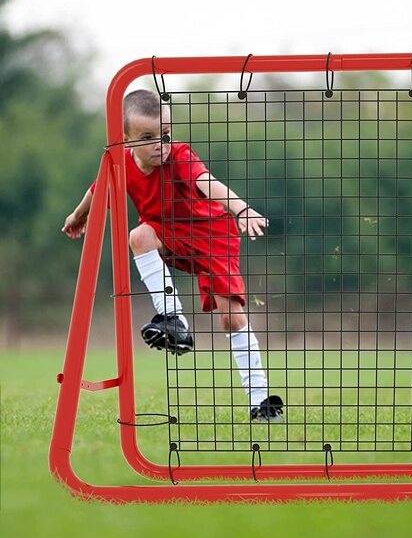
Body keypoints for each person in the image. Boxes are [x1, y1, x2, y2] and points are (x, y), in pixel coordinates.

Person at [62, 88, 283, 422]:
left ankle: (260, 401)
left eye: (164, 134)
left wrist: (241, 209)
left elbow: (208, 182)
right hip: (169, 235)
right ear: (126, 140)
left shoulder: (179, 155)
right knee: (139, 235)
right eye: (148, 137)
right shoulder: (119, 163)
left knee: (231, 319)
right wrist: (78, 216)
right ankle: (173, 319)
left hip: (212, 236)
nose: (159, 144)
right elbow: (97, 189)